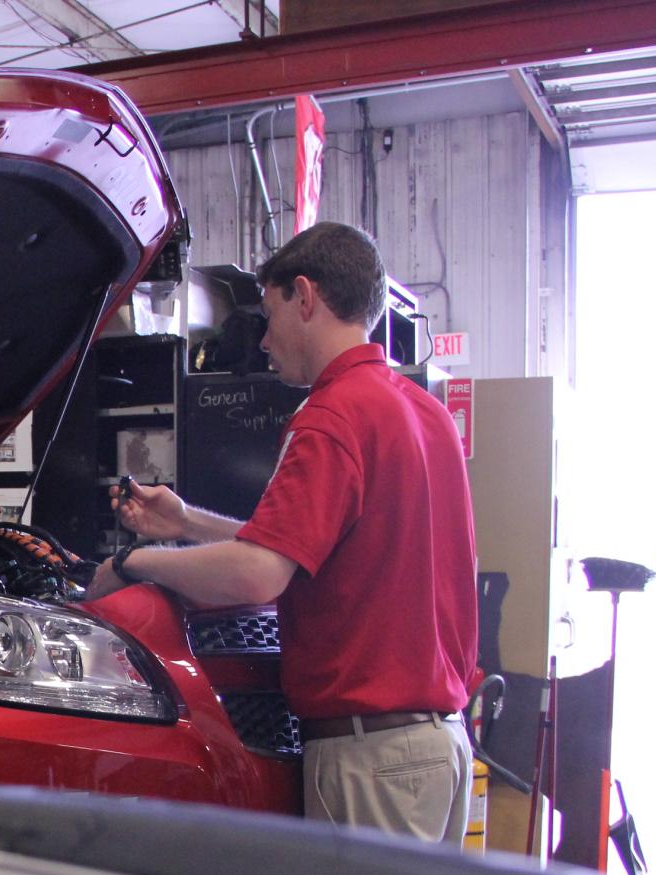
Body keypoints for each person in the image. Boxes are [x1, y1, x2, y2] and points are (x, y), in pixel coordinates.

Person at [86, 222, 479, 843]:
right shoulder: (421, 411)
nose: (264, 341)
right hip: (440, 746)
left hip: (371, 759)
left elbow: (258, 574)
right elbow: (311, 549)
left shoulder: (330, 415)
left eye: (268, 316)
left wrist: (136, 561)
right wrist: (185, 522)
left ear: (306, 296)